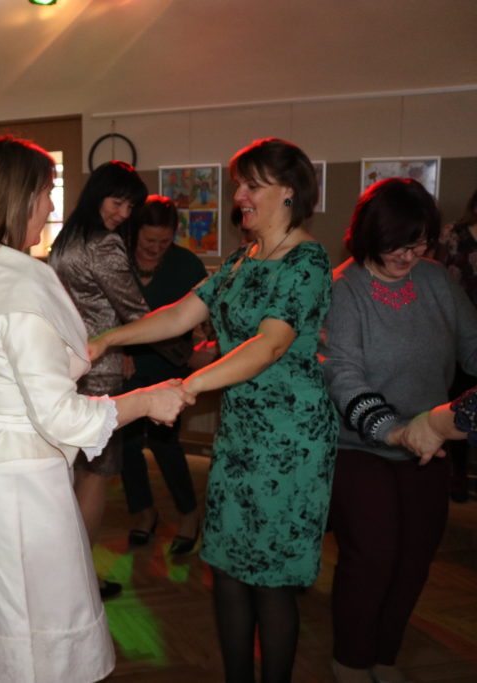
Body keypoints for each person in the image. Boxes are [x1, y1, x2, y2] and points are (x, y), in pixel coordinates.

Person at [0, 135, 193, 683]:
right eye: (45, 193)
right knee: (34, 627)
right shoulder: (17, 290)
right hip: (19, 484)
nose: (49, 207)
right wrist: (145, 400)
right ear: (19, 197)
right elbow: (61, 416)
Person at [89, 138, 337, 683]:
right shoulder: (243, 259)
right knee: (226, 569)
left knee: (270, 581)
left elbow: (269, 344)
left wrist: (187, 386)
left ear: (289, 192)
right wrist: (106, 340)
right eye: (238, 184)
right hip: (242, 434)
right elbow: (181, 314)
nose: (239, 195)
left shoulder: (308, 261)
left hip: (289, 439)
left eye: (252, 185)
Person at [319, 177, 477, 683]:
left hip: (428, 444)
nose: (409, 256)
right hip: (359, 447)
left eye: (419, 243)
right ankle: (351, 659)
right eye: (398, 245)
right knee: (373, 556)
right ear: (369, 234)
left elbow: (472, 345)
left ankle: (384, 655)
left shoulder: (436, 280)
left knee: (415, 560)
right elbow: (343, 375)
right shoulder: (344, 289)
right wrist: (393, 431)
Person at [48, 161, 187, 599]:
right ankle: (79, 580)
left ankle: (62, 574)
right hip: (100, 375)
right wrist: (186, 356)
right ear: (98, 194)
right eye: (117, 202)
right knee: (94, 479)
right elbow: (136, 313)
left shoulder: (67, 238)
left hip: (65, 368)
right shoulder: (104, 244)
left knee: (71, 477)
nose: (123, 214)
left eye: (130, 207)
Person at [118, 195, 209, 554]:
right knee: (126, 447)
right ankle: (144, 513)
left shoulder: (186, 264)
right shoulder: (119, 262)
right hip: (126, 369)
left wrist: (208, 344)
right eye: (148, 241)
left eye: (164, 241)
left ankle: (188, 515)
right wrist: (118, 350)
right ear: (135, 233)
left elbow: (210, 312)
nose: (155, 248)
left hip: (169, 369)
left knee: (165, 445)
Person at [434, 185, 477, 502]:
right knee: (458, 401)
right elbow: (436, 273)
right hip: (454, 327)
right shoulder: (453, 234)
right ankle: (456, 473)